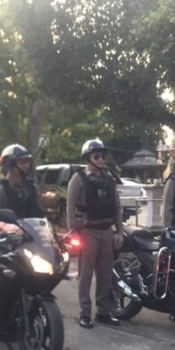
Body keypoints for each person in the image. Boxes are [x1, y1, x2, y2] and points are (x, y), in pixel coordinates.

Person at [67, 139, 124, 328]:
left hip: (106, 231)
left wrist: (119, 232)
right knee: (85, 274)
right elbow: (70, 207)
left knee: (106, 275)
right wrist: (73, 232)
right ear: (88, 158)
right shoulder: (78, 179)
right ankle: (84, 313)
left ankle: (103, 312)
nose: (101, 159)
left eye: (103, 156)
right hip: (88, 232)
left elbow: (117, 208)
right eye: (96, 156)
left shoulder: (109, 179)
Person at [0, 144, 43, 233]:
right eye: (22, 162)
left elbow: (40, 217)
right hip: (9, 239)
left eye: (27, 162)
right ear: (11, 165)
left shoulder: (32, 188)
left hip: (33, 238)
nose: (26, 166)